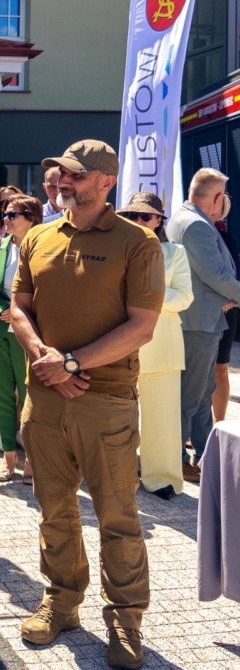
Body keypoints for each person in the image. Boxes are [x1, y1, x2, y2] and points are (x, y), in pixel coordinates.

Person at [10, 139, 165, 670]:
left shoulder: (138, 243)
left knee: (118, 516)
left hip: (106, 402)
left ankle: (125, 618)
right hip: (45, 401)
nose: (62, 182)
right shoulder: (39, 236)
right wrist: (44, 358)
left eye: (75, 175)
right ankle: (62, 600)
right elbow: (19, 307)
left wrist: (72, 364)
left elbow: (141, 327)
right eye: (60, 174)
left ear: (106, 182)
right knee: (54, 511)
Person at [167, 168, 240, 483]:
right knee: (190, 396)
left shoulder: (186, 218)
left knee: (200, 393)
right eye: (223, 195)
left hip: (201, 320)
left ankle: (203, 455)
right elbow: (215, 275)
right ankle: (179, 460)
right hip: (198, 323)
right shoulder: (195, 224)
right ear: (217, 196)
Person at [119, 192, 192, 499]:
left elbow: (185, 297)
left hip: (162, 347)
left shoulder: (175, 252)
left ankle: (161, 478)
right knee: (115, 416)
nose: (139, 221)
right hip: (118, 345)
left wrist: (149, 296)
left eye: (146, 216)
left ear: (160, 221)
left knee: (162, 418)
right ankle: (115, 474)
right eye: (132, 215)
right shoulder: (115, 249)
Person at [0, 194, 42, 483]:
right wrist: (1, 308)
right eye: (5, 213)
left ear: (31, 218)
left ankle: (33, 463)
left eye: (13, 214)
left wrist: (17, 313)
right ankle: (9, 460)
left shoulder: (42, 248)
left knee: (30, 397)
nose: (6, 218)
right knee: (3, 396)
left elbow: (47, 289)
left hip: (27, 332)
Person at [212, 194, 239, 423]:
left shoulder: (227, 239)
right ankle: (193, 429)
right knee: (194, 373)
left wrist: (235, 300)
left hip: (226, 312)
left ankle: (218, 427)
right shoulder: (187, 233)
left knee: (221, 367)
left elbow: (235, 274)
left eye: (221, 205)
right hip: (195, 313)